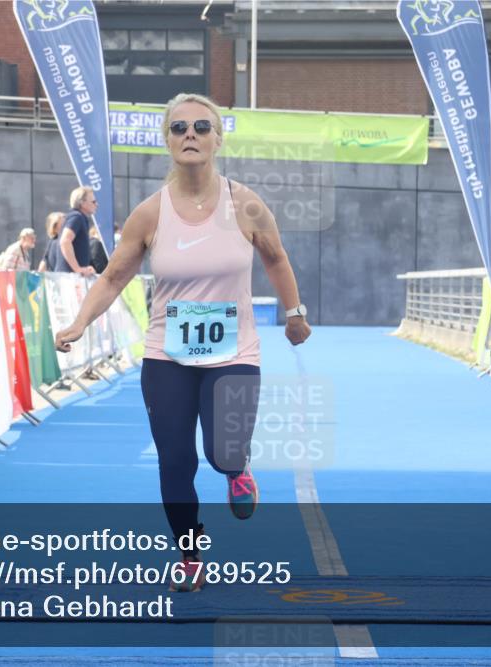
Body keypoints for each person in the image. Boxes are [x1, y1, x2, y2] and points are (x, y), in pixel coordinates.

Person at [54, 93, 311, 592]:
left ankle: (237, 467)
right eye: (178, 129)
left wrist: (295, 314)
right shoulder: (149, 214)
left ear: (218, 138)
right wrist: (79, 322)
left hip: (234, 351)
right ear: (167, 141)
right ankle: (191, 554)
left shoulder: (247, 204)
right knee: (175, 459)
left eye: (200, 127)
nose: (189, 135)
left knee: (223, 452)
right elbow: (111, 278)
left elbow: (276, 259)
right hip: (167, 354)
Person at [56, 185, 96, 276]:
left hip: (71, 276)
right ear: (82, 203)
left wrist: (85, 267)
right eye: (93, 201)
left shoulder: (79, 217)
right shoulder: (76, 217)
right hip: (70, 278)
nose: (96, 204)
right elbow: (65, 241)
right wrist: (77, 268)